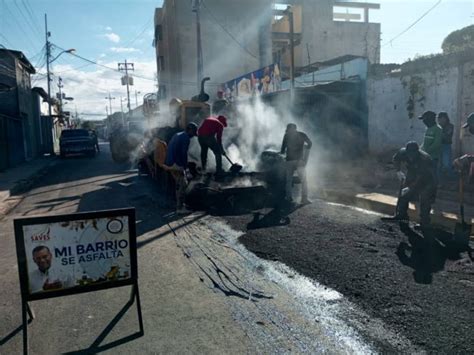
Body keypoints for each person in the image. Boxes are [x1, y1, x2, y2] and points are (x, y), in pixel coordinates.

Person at [390, 141, 437, 228]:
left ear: (417, 152)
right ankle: (402, 215)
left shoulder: (424, 159)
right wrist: (398, 171)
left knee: (425, 199)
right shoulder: (403, 152)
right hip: (412, 173)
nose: (411, 156)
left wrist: (410, 187)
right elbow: (395, 159)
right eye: (409, 154)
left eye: (413, 154)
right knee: (403, 195)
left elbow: (421, 178)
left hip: (428, 179)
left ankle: (425, 223)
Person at [164, 123, 198, 214]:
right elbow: (183, 154)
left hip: (169, 162)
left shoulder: (178, 134)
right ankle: (180, 208)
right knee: (184, 184)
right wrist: (186, 170)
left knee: (179, 184)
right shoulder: (186, 138)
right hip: (175, 164)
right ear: (189, 130)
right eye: (193, 132)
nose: (192, 136)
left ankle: (180, 204)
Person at [280, 123, 312, 204]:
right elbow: (310, 143)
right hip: (299, 161)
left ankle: (288, 198)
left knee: (289, 180)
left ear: (288, 129)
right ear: (295, 128)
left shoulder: (286, 136)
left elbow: (282, 150)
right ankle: (304, 199)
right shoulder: (302, 134)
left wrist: (283, 153)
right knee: (303, 180)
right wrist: (306, 149)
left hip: (289, 161)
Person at [197, 101, 228, 176]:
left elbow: (202, 129)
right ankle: (219, 170)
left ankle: (203, 168)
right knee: (217, 152)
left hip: (200, 136)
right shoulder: (220, 125)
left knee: (204, 152)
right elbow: (219, 139)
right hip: (208, 137)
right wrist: (221, 150)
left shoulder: (210, 118)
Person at [437, 112, 454, 181]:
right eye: (439, 119)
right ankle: (440, 181)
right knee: (439, 165)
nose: (441, 120)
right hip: (438, 146)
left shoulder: (450, 126)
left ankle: (452, 180)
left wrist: (439, 131)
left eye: (442, 118)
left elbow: (446, 136)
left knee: (447, 164)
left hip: (446, 146)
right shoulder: (437, 126)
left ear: (446, 118)